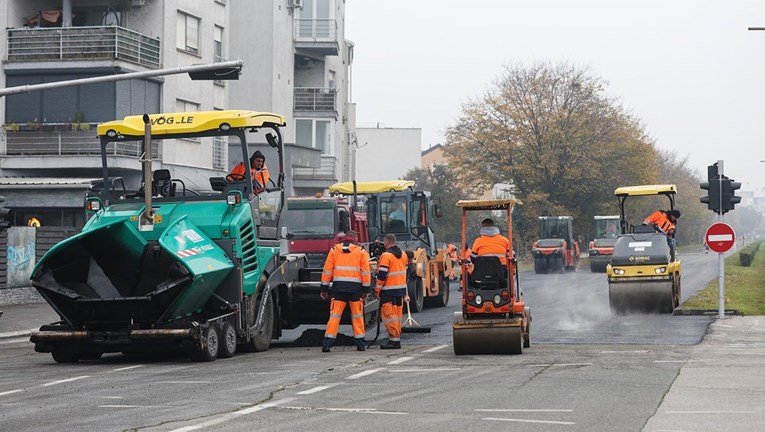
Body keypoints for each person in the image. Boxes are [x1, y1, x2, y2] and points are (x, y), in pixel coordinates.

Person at [319, 230, 371, 352]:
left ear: (345, 238)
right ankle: (360, 344)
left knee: (334, 316)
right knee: (357, 317)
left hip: (339, 289)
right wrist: (366, 290)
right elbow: (365, 273)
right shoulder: (361, 251)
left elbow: (327, 271)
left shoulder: (334, 250)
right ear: (355, 239)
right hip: (355, 290)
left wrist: (324, 289)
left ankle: (327, 343)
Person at [374, 234, 409, 350]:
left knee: (389, 316)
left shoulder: (386, 256)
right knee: (397, 317)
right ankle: (395, 339)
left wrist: (377, 289)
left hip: (388, 291)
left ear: (386, 242)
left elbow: (382, 275)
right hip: (400, 291)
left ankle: (394, 341)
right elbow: (406, 272)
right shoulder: (403, 255)